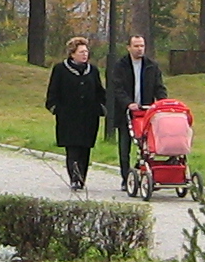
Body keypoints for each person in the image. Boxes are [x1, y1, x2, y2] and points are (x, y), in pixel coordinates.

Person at [44, 34, 106, 192]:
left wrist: (102, 108)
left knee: (85, 149)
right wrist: (56, 109)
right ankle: (74, 178)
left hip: (88, 117)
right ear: (72, 54)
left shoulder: (93, 70)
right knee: (72, 149)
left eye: (86, 52)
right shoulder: (60, 69)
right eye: (81, 52)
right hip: (68, 117)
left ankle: (82, 178)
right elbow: (52, 94)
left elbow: (100, 92)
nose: (85, 54)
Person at [108, 33, 166, 189]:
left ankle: (143, 172)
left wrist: (162, 103)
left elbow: (159, 87)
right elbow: (117, 88)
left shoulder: (151, 66)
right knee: (124, 146)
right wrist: (128, 103)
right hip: (126, 113)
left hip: (146, 112)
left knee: (146, 146)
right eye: (136, 46)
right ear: (129, 47)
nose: (140, 49)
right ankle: (125, 177)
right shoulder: (120, 66)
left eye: (142, 46)